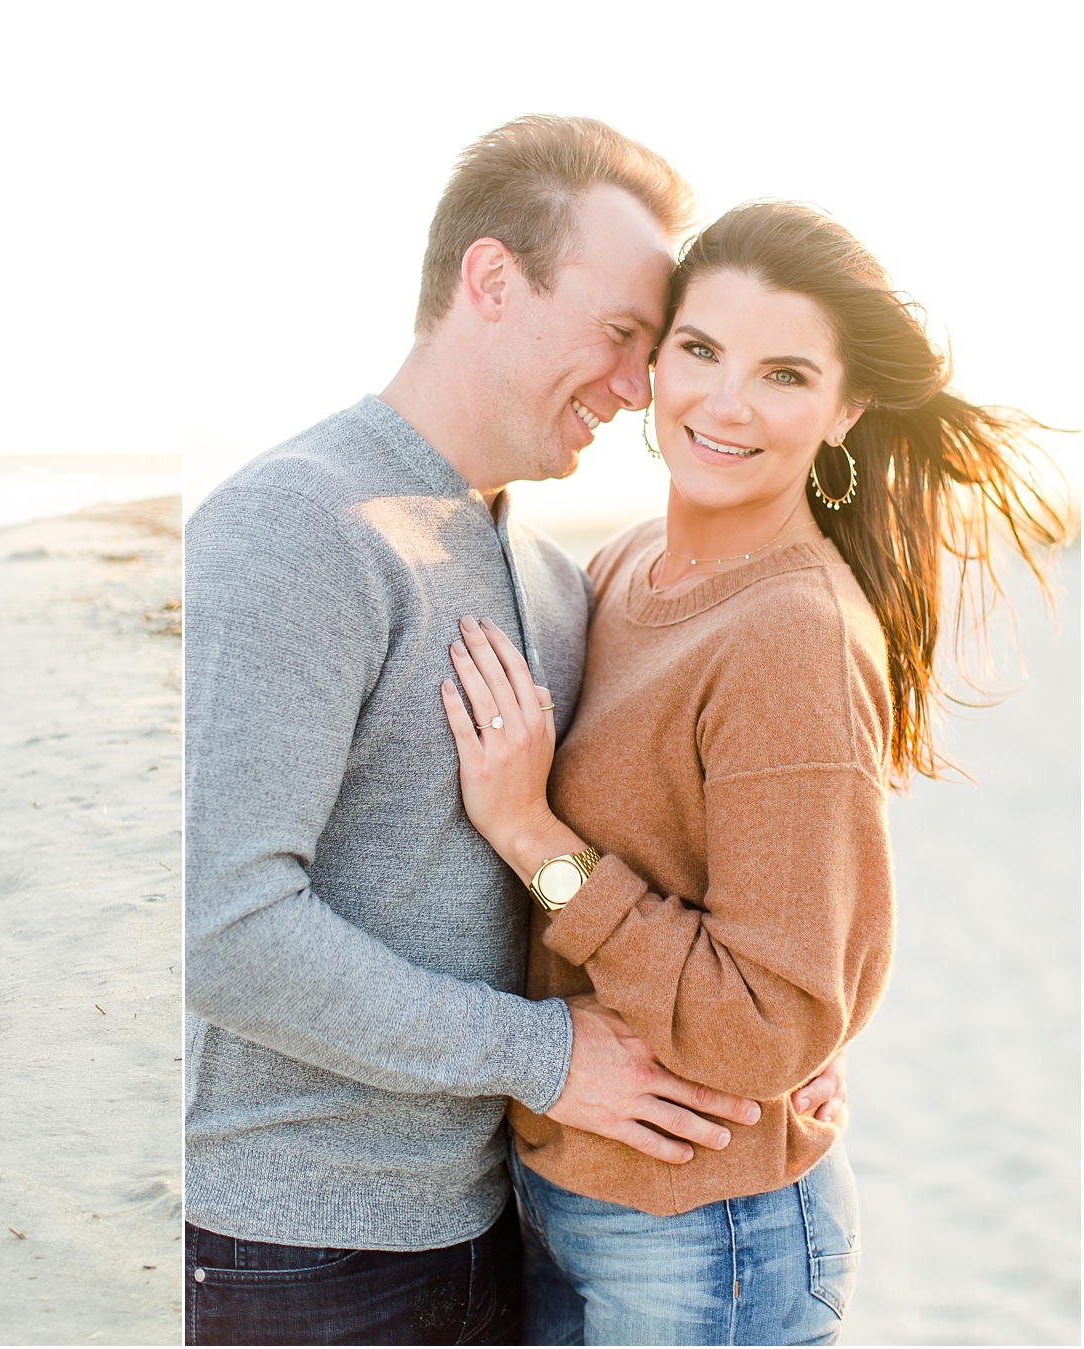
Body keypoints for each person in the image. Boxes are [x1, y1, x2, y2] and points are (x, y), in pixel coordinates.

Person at [184, 117, 845, 1345]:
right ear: (491, 280)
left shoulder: (550, 577)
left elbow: (619, 851)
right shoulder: (294, 528)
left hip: (499, 1219)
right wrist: (546, 1054)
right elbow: (219, 926)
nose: (640, 385)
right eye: (622, 334)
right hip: (299, 1249)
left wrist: (766, 1039)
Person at [440, 201, 1073, 1344]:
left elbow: (770, 1017)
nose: (725, 403)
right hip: (572, 1190)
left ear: (846, 408)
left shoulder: (790, 632)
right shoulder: (630, 562)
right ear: (654, 360)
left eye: (784, 373)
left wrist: (533, 836)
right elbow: (795, 939)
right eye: (701, 349)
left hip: (701, 1238)